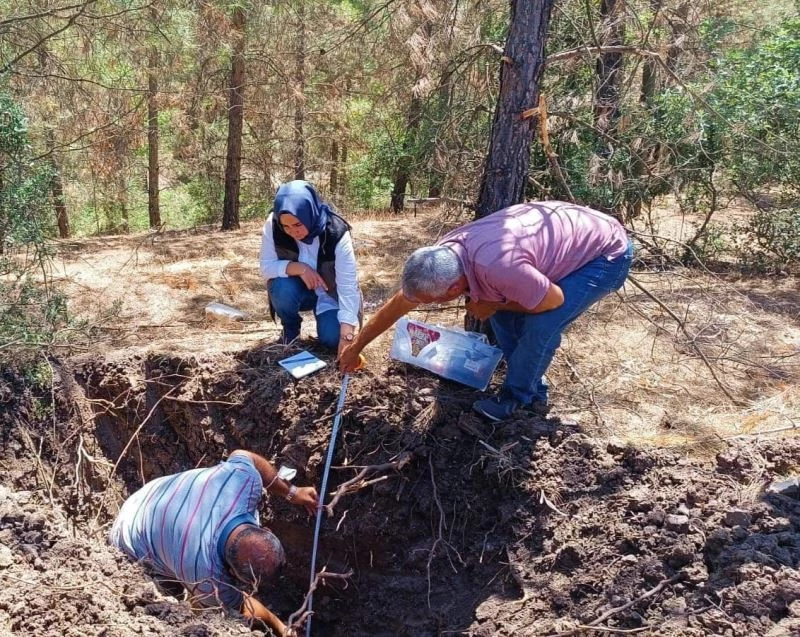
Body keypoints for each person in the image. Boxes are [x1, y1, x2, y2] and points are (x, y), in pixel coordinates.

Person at [339, 200, 633, 422]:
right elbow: (397, 306)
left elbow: (553, 301)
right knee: (505, 314)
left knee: (541, 327)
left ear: (454, 289)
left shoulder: (499, 268)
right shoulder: (439, 260)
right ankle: (533, 390)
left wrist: (492, 303)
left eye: (432, 301)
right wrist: (356, 347)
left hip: (604, 254)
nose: (426, 305)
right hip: (556, 242)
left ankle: (515, 399)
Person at [109, 450, 319, 637]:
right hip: (129, 542)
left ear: (266, 530)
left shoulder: (243, 481)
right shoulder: (206, 576)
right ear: (231, 574)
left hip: (150, 495)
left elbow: (244, 455)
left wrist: (292, 492)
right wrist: (281, 627)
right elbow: (240, 607)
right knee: (168, 606)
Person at [260, 180, 361, 354]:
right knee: (280, 286)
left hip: (330, 294)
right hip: (297, 290)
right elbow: (265, 267)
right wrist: (301, 268)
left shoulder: (336, 232)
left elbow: (348, 286)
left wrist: (347, 337)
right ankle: (290, 328)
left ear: (310, 212)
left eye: (298, 224)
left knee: (332, 339)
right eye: (287, 226)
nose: (293, 232)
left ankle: (329, 327)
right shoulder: (273, 225)